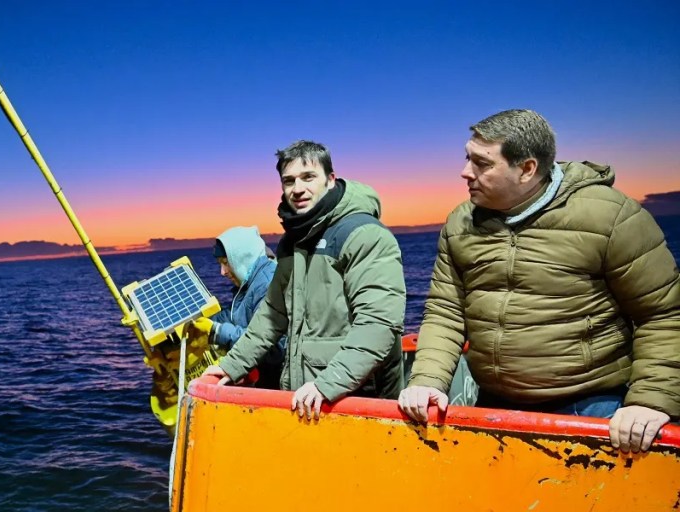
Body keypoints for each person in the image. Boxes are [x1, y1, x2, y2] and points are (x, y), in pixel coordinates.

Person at [398, 109, 680, 453]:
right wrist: (427, 379)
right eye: (466, 158)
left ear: (527, 169)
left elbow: (663, 313)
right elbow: (446, 311)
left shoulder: (613, 217)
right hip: (493, 406)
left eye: (482, 163)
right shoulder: (460, 223)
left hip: (592, 406)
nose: (464, 172)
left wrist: (651, 399)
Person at [202, 140, 406, 420]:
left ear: (330, 180)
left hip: (358, 401)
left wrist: (328, 385)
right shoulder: (292, 242)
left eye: (308, 177)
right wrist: (232, 365)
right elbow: (273, 315)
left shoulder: (364, 235)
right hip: (307, 398)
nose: (298, 188)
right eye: (289, 181)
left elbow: (379, 324)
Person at [188, 226, 284, 389]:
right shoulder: (251, 282)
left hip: (279, 383)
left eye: (226, 263)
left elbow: (272, 346)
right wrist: (204, 322)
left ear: (242, 258)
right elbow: (236, 316)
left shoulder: (268, 284)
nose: (222, 272)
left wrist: (216, 331)